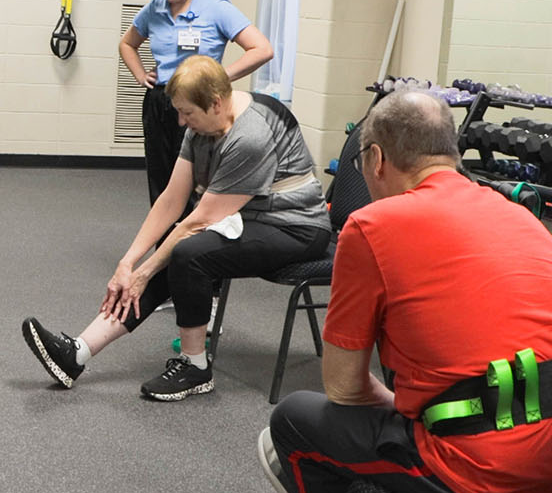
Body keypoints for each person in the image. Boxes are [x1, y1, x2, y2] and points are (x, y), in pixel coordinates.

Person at [258, 90, 552, 493]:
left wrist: (403, 405)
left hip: (487, 485)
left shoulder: (371, 227)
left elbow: (344, 389)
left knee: (293, 425)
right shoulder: (517, 213)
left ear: (375, 159)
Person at [22, 55, 330, 400]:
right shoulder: (203, 123)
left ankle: (195, 367)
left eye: (187, 114)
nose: (182, 123)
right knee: (177, 253)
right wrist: (128, 263)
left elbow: (198, 221)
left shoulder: (251, 135)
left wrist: (144, 272)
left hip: (296, 227)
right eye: (179, 112)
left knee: (188, 254)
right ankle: (77, 353)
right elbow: (171, 200)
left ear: (215, 102)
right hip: (251, 217)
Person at [119, 0, 274, 206]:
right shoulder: (154, 9)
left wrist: (221, 76)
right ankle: (165, 243)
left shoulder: (216, 8)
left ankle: (193, 243)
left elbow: (262, 49)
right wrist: (141, 75)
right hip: (160, 101)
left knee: (194, 182)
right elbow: (127, 44)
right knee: (161, 178)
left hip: (199, 103)